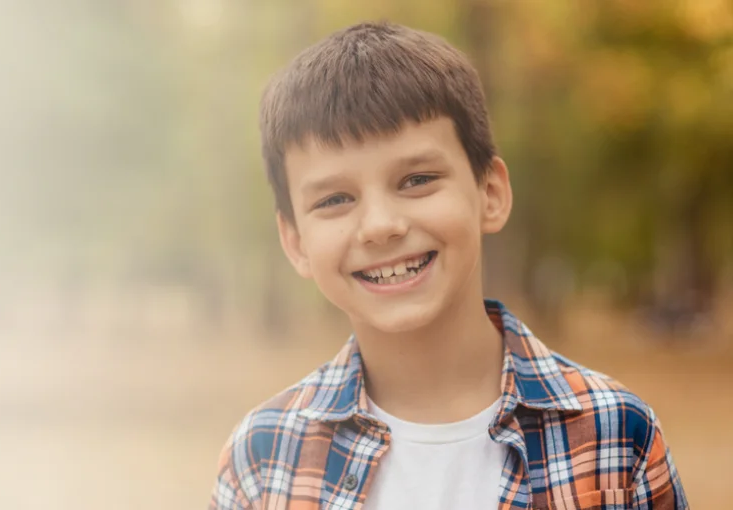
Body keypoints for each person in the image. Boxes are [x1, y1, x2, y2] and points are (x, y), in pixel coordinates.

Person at [208, 21, 686, 510]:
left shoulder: (615, 435)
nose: (380, 226)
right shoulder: (263, 457)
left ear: (490, 193)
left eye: (416, 179)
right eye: (334, 199)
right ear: (295, 241)